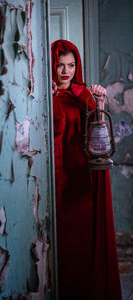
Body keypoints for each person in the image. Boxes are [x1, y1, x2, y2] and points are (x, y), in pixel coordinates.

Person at [51, 39, 122, 300]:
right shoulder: (41, 97)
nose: (66, 71)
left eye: (71, 65)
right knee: (55, 250)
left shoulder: (83, 94)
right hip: (51, 183)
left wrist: (100, 103)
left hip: (79, 182)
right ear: (52, 66)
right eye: (60, 65)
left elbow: (100, 138)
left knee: (78, 247)